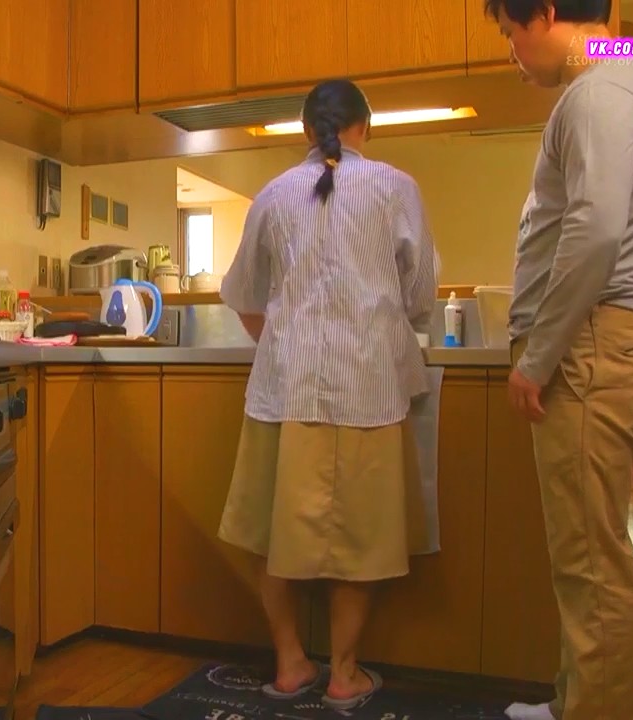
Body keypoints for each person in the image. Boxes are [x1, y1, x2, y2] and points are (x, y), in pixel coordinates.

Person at [215, 79, 438, 711]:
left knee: (271, 534)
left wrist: (287, 340)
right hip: (369, 389)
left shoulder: (273, 194)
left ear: (306, 130)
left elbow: (244, 296)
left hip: (285, 392)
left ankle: (290, 663)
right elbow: (420, 295)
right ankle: (344, 673)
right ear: (365, 126)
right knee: (362, 541)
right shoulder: (396, 188)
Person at [481, 2, 633, 719]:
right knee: (584, 560)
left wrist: (538, 356)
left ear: (545, 13)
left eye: (510, 33)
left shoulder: (600, 88)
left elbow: (594, 231)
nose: (512, 54)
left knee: (592, 568)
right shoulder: (612, 87)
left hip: (591, 346)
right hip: (596, 343)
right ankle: (577, 704)